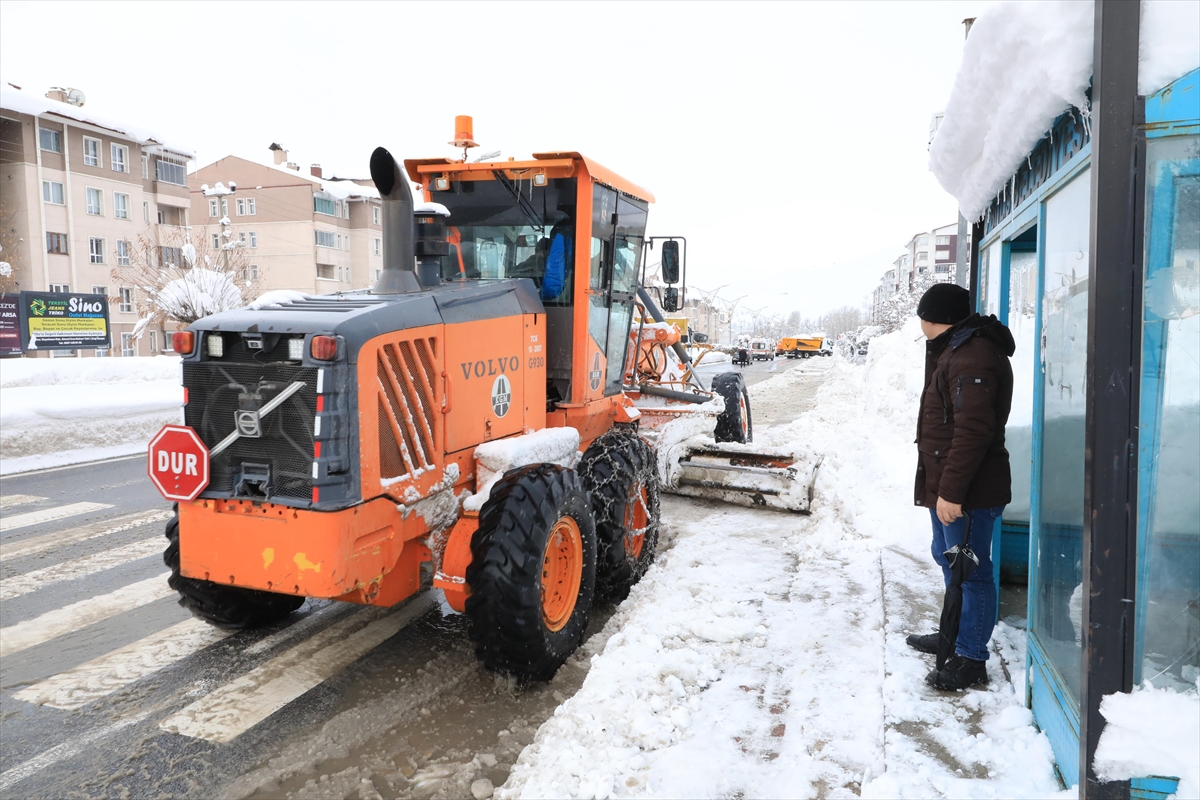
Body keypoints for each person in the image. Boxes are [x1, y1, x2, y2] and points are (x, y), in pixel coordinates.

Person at [906, 282, 1015, 691]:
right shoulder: (956, 347)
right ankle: (954, 632)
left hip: (968, 491)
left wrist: (950, 494)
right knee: (950, 560)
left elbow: (972, 431)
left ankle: (971, 656)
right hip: (950, 486)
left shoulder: (972, 355)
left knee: (971, 573)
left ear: (935, 318)